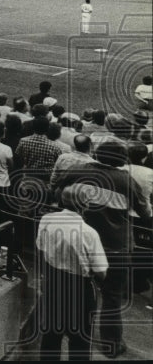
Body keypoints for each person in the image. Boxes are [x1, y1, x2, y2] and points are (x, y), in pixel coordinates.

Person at [51, 141, 151, 358]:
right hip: (115, 247)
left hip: (79, 239)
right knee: (112, 296)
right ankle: (112, 343)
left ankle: (69, 329)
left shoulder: (79, 170)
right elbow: (145, 212)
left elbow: (56, 188)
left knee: (75, 285)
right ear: (122, 159)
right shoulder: (128, 181)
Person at [34, 184, 108, 361]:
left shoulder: (47, 219)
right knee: (80, 340)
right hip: (80, 288)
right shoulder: (90, 233)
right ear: (85, 205)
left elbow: (40, 248)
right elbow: (101, 271)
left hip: (53, 282)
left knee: (51, 335)